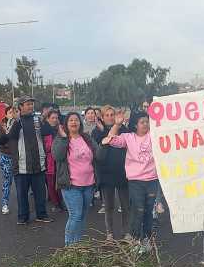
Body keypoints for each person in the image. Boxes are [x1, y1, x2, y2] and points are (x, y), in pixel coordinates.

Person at [103, 111, 158, 253]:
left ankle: (146, 239)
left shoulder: (154, 135)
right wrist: (117, 124)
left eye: (147, 121)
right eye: (142, 122)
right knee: (138, 210)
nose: (145, 124)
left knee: (148, 212)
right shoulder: (128, 137)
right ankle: (136, 239)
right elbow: (110, 139)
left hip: (152, 180)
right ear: (135, 124)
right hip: (136, 181)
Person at [3, 96, 53, 225]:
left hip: (38, 164)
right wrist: (16, 120)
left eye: (32, 104)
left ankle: (41, 214)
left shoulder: (37, 120)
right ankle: (23, 217)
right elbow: (9, 136)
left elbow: (48, 131)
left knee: (40, 194)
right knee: (22, 195)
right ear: (20, 106)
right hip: (21, 165)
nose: (31, 106)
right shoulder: (14, 121)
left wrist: (46, 119)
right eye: (28, 104)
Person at [53, 113, 98, 245]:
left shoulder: (86, 138)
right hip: (71, 185)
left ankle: (77, 245)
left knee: (82, 216)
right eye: (71, 120)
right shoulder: (62, 139)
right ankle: (69, 246)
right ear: (66, 124)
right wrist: (62, 138)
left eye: (76, 120)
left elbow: (98, 154)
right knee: (75, 215)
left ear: (80, 123)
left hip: (88, 184)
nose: (74, 122)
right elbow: (57, 156)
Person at [92, 105, 129, 239]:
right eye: (106, 115)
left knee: (126, 206)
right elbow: (98, 154)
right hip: (105, 174)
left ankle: (127, 232)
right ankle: (110, 233)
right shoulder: (97, 132)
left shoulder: (123, 129)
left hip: (123, 173)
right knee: (109, 207)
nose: (109, 117)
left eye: (111, 114)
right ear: (102, 117)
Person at [0, 107, 18, 215]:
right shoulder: (1, 126)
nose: (12, 114)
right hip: (6, 157)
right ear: (6, 115)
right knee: (7, 181)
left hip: (19, 157)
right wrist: (7, 130)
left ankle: (23, 205)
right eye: (10, 112)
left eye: (14, 112)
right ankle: (5, 203)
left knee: (21, 181)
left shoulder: (20, 124)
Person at [41, 110, 64, 212]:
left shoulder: (60, 129)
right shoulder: (44, 130)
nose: (55, 120)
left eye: (56, 118)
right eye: (53, 118)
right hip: (49, 161)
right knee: (51, 183)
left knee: (60, 183)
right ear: (47, 119)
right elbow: (46, 147)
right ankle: (56, 203)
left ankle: (60, 202)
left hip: (60, 161)